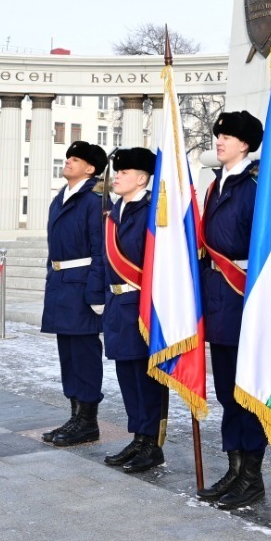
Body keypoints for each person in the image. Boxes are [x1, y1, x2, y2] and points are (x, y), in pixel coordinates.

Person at [196, 110, 269, 509]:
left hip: (244, 300)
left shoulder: (257, 185)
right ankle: (234, 467)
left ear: (245, 144)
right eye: (218, 134)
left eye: (227, 136)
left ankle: (252, 477)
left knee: (247, 393)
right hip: (219, 301)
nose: (219, 140)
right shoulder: (215, 186)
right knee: (227, 392)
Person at [100, 147, 169, 474]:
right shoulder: (116, 212)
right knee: (127, 376)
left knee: (146, 379)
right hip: (117, 304)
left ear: (141, 178)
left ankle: (152, 444)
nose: (117, 176)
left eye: (124, 172)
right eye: (117, 172)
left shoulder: (153, 211)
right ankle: (138, 436)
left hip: (143, 306)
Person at [42, 141, 109, 448]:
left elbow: (100, 250)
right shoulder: (63, 196)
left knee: (84, 354)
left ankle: (88, 420)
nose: (68, 161)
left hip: (82, 285)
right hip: (61, 283)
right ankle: (75, 415)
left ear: (91, 168)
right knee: (68, 354)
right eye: (68, 156)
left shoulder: (94, 200)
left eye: (76, 159)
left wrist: (95, 292)